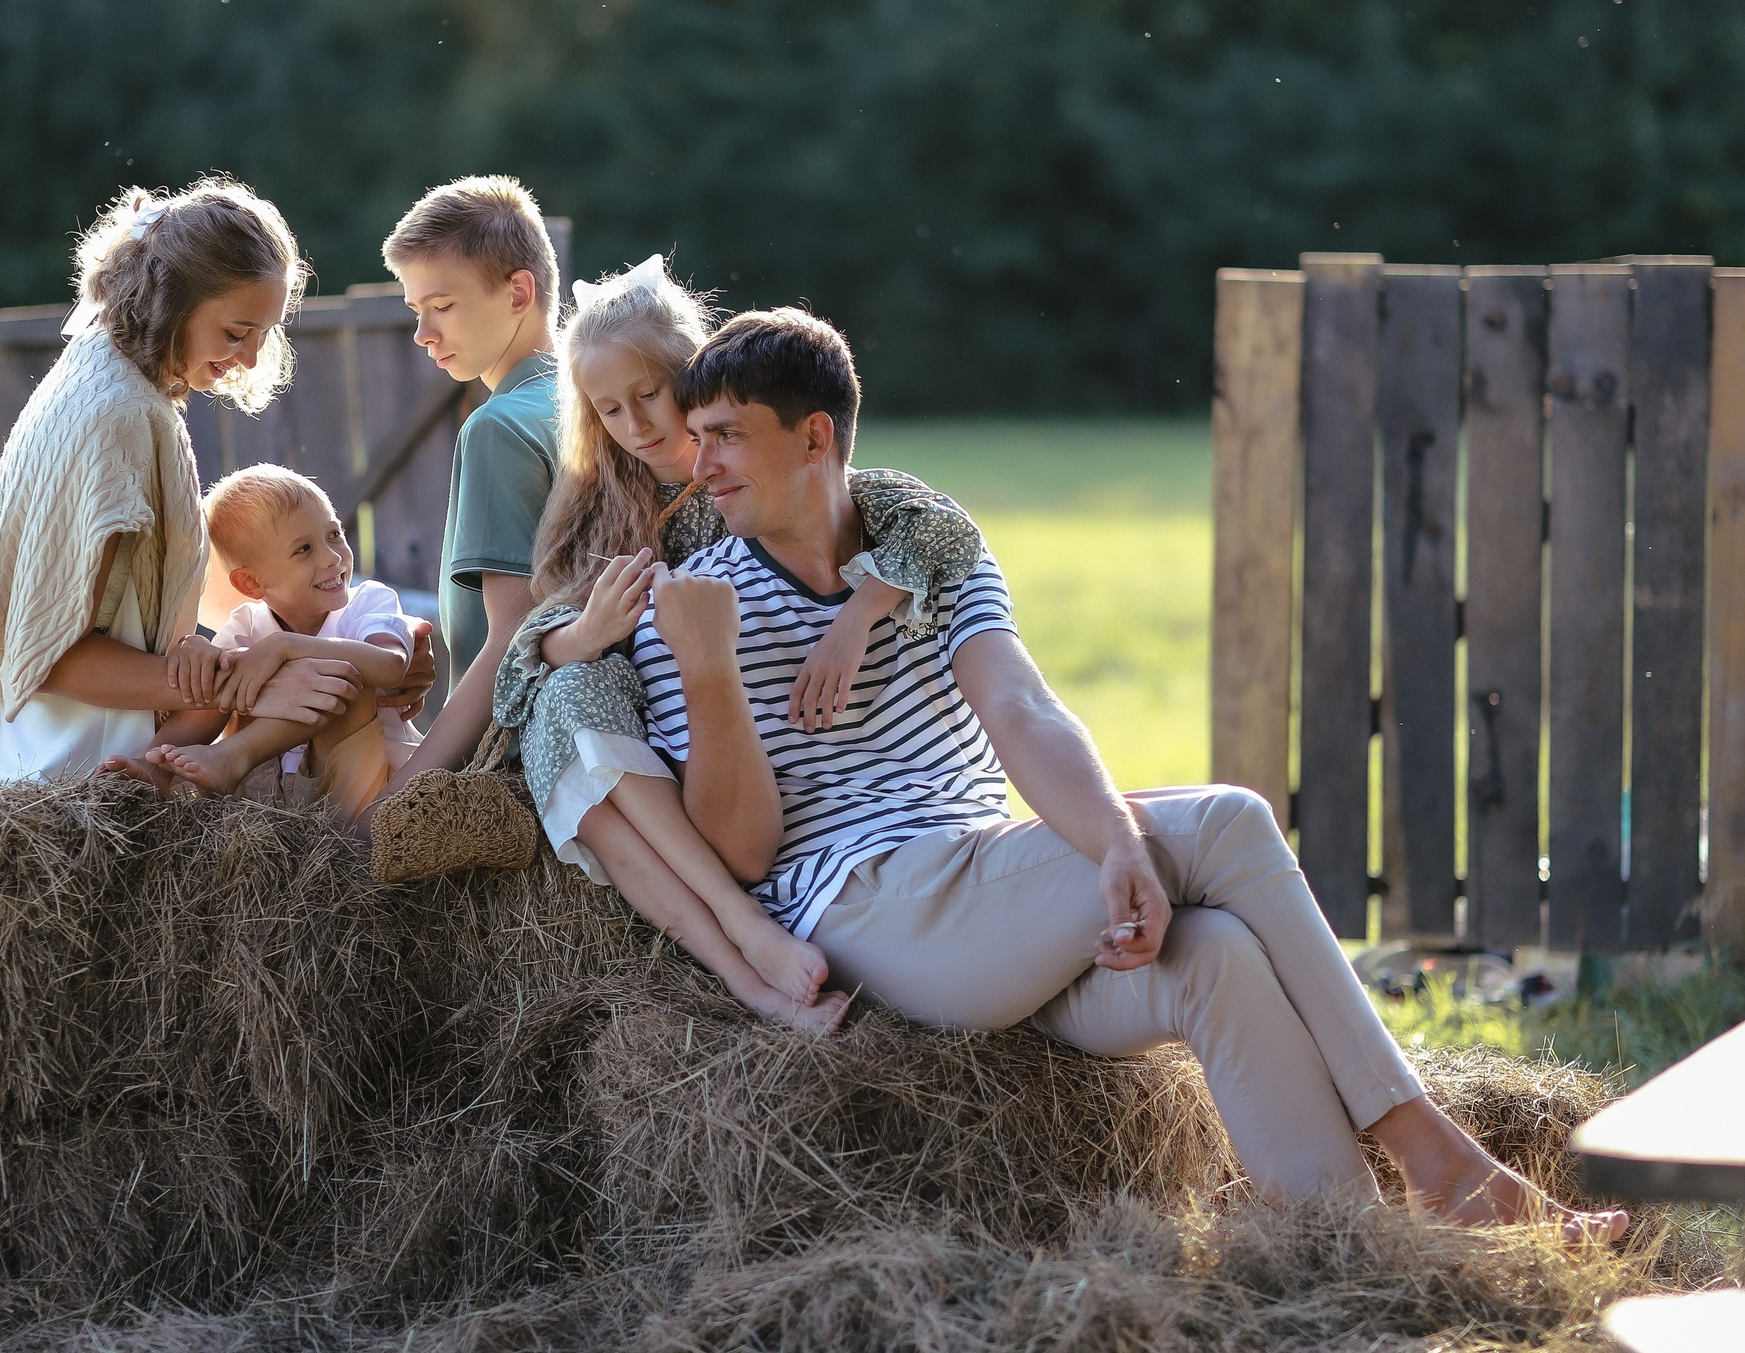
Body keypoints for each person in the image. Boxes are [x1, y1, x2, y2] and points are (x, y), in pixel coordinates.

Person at [626, 307, 1628, 1235]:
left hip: (985, 890)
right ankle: (1441, 1163)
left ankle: (1341, 1245)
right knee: (1229, 820)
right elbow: (743, 853)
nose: (699, 462)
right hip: (866, 911)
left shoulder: (931, 557)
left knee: (1220, 956)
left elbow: (1018, 708)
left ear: (814, 438)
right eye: (698, 434)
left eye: (726, 433)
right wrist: (707, 669)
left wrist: (1111, 842)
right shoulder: (695, 603)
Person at [493, 255, 985, 1035]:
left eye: (650, 396)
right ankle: (746, 964)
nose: (637, 426)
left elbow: (942, 526)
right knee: (570, 707)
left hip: (749, 756)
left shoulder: (771, 470)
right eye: (609, 410)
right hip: (643, 756)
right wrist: (584, 635)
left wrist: (862, 609)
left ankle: (760, 930)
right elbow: (518, 673)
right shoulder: (606, 506)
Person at [0, 179, 424, 787]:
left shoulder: (121, 382)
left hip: (81, 752)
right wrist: (250, 683)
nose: (249, 358)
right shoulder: (114, 415)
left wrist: (371, 646)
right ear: (172, 300)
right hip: (52, 769)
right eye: (235, 332)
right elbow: (52, 656)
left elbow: (187, 599)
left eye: (261, 336)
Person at [375, 175, 565, 789]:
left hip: (520, 767)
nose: (423, 333)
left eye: (443, 306)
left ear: (518, 293)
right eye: (416, 311)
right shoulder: (603, 407)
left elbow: (514, 637)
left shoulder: (499, 427)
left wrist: (402, 802)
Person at [136, 465, 422, 820]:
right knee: (221, 674)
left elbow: (391, 664)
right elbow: (212, 696)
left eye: (333, 533)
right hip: (268, 793)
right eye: (304, 548)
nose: (332, 557)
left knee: (340, 676)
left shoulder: (368, 603)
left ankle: (232, 756)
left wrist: (286, 647)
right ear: (252, 584)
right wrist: (200, 653)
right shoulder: (246, 625)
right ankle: (153, 766)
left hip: (360, 788)